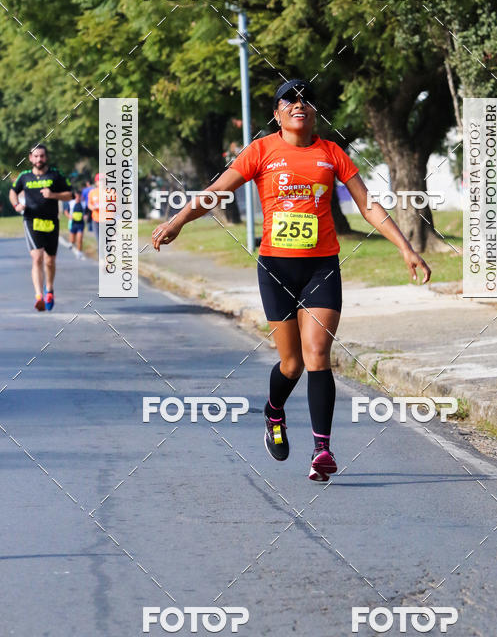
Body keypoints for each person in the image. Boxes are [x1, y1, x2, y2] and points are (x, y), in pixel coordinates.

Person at [151, 79, 430, 481]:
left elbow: (367, 205)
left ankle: (322, 450)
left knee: (318, 353)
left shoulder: (331, 153)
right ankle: (274, 411)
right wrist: (178, 221)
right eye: (290, 100)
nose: (299, 105)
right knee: (292, 362)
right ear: (278, 113)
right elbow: (215, 192)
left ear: (315, 112)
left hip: (321, 267)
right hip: (276, 269)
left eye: (307, 100)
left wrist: (405, 247)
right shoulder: (261, 151)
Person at [9, 144, 74, 311]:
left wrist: (53, 195)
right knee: (37, 257)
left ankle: (49, 290)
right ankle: (39, 296)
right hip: (32, 221)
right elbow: (12, 191)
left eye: (42, 156)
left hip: (51, 221)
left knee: (50, 261)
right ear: (31, 158)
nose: (39, 159)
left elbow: (70, 194)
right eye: (36, 156)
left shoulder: (55, 175)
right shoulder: (25, 176)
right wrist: (17, 205)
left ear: (47, 157)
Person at [65, 189, 85, 255]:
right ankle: (71, 243)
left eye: (79, 196)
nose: (77, 198)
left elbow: (87, 212)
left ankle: (79, 252)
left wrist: (86, 216)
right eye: (76, 196)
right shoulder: (71, 203)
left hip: (80, 223)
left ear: (81, 196)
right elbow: (66, 211)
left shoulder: (83, 204)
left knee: (80, 238)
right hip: (72, 223)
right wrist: (69, 216)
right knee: (72, 240)